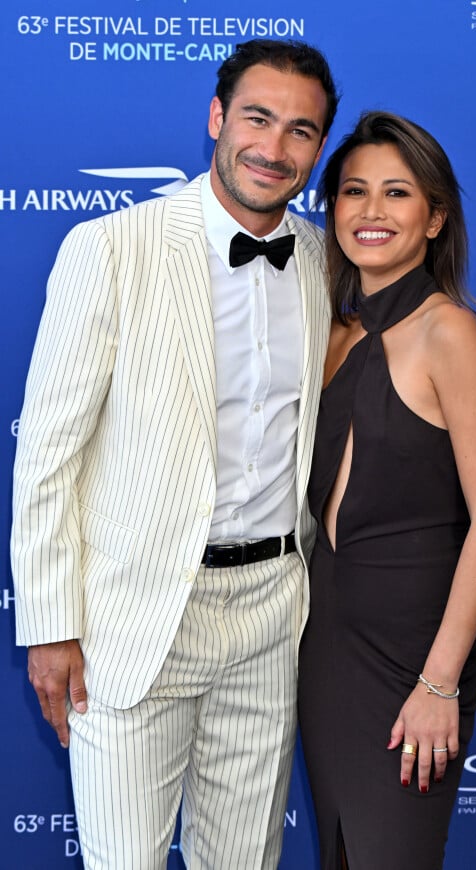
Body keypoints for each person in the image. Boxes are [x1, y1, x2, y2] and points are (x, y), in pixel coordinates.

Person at [11, 39, 338, 869]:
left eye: (301, 131)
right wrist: (48, 625)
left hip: (270, 613)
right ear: (217, 118)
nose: (274, 147)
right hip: (137, 615)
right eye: (258, 118)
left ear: (319, 149)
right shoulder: (111, 247)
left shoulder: (324, 263)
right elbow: (47, 450)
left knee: (246, 860)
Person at [297, 111, 476, 870]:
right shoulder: (332, 333)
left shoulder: (450, 333)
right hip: (323, 641)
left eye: (397, 193)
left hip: (413, 655)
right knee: (341, 852)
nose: (371, 210)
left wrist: (439, 682)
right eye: (354, 191)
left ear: (435, 217)